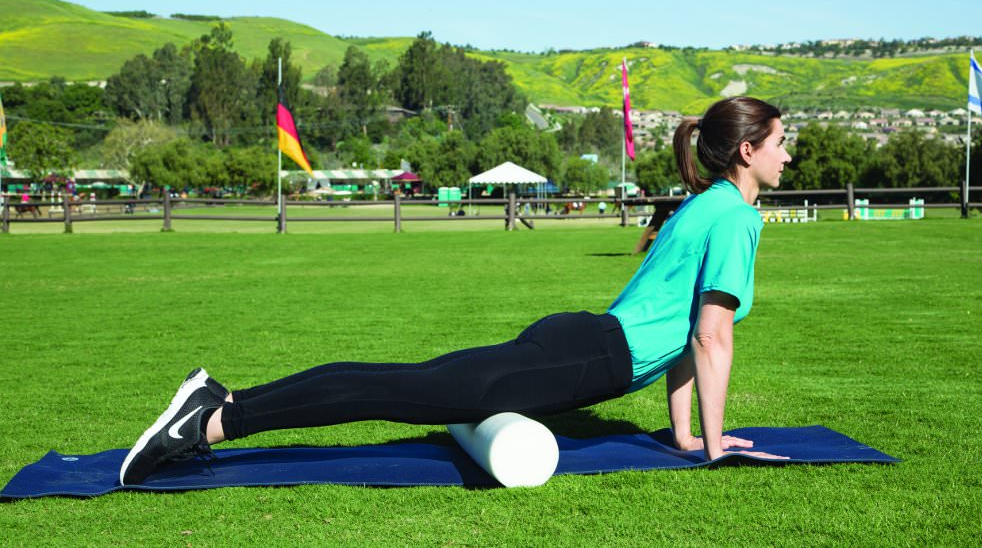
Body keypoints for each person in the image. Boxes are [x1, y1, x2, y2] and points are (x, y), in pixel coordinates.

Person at [119, 96, 793, 485]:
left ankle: (220, 406)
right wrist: (710, 447)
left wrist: (685, 436)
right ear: (746, 151)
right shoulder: (734, 216)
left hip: (579, 341)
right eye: (780, 142)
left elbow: (680, 331)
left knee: (398, 381)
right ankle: (214, 416)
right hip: (588, 358)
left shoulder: (703, 205)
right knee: (390, 389)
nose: (787, 155)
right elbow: (709, 336)